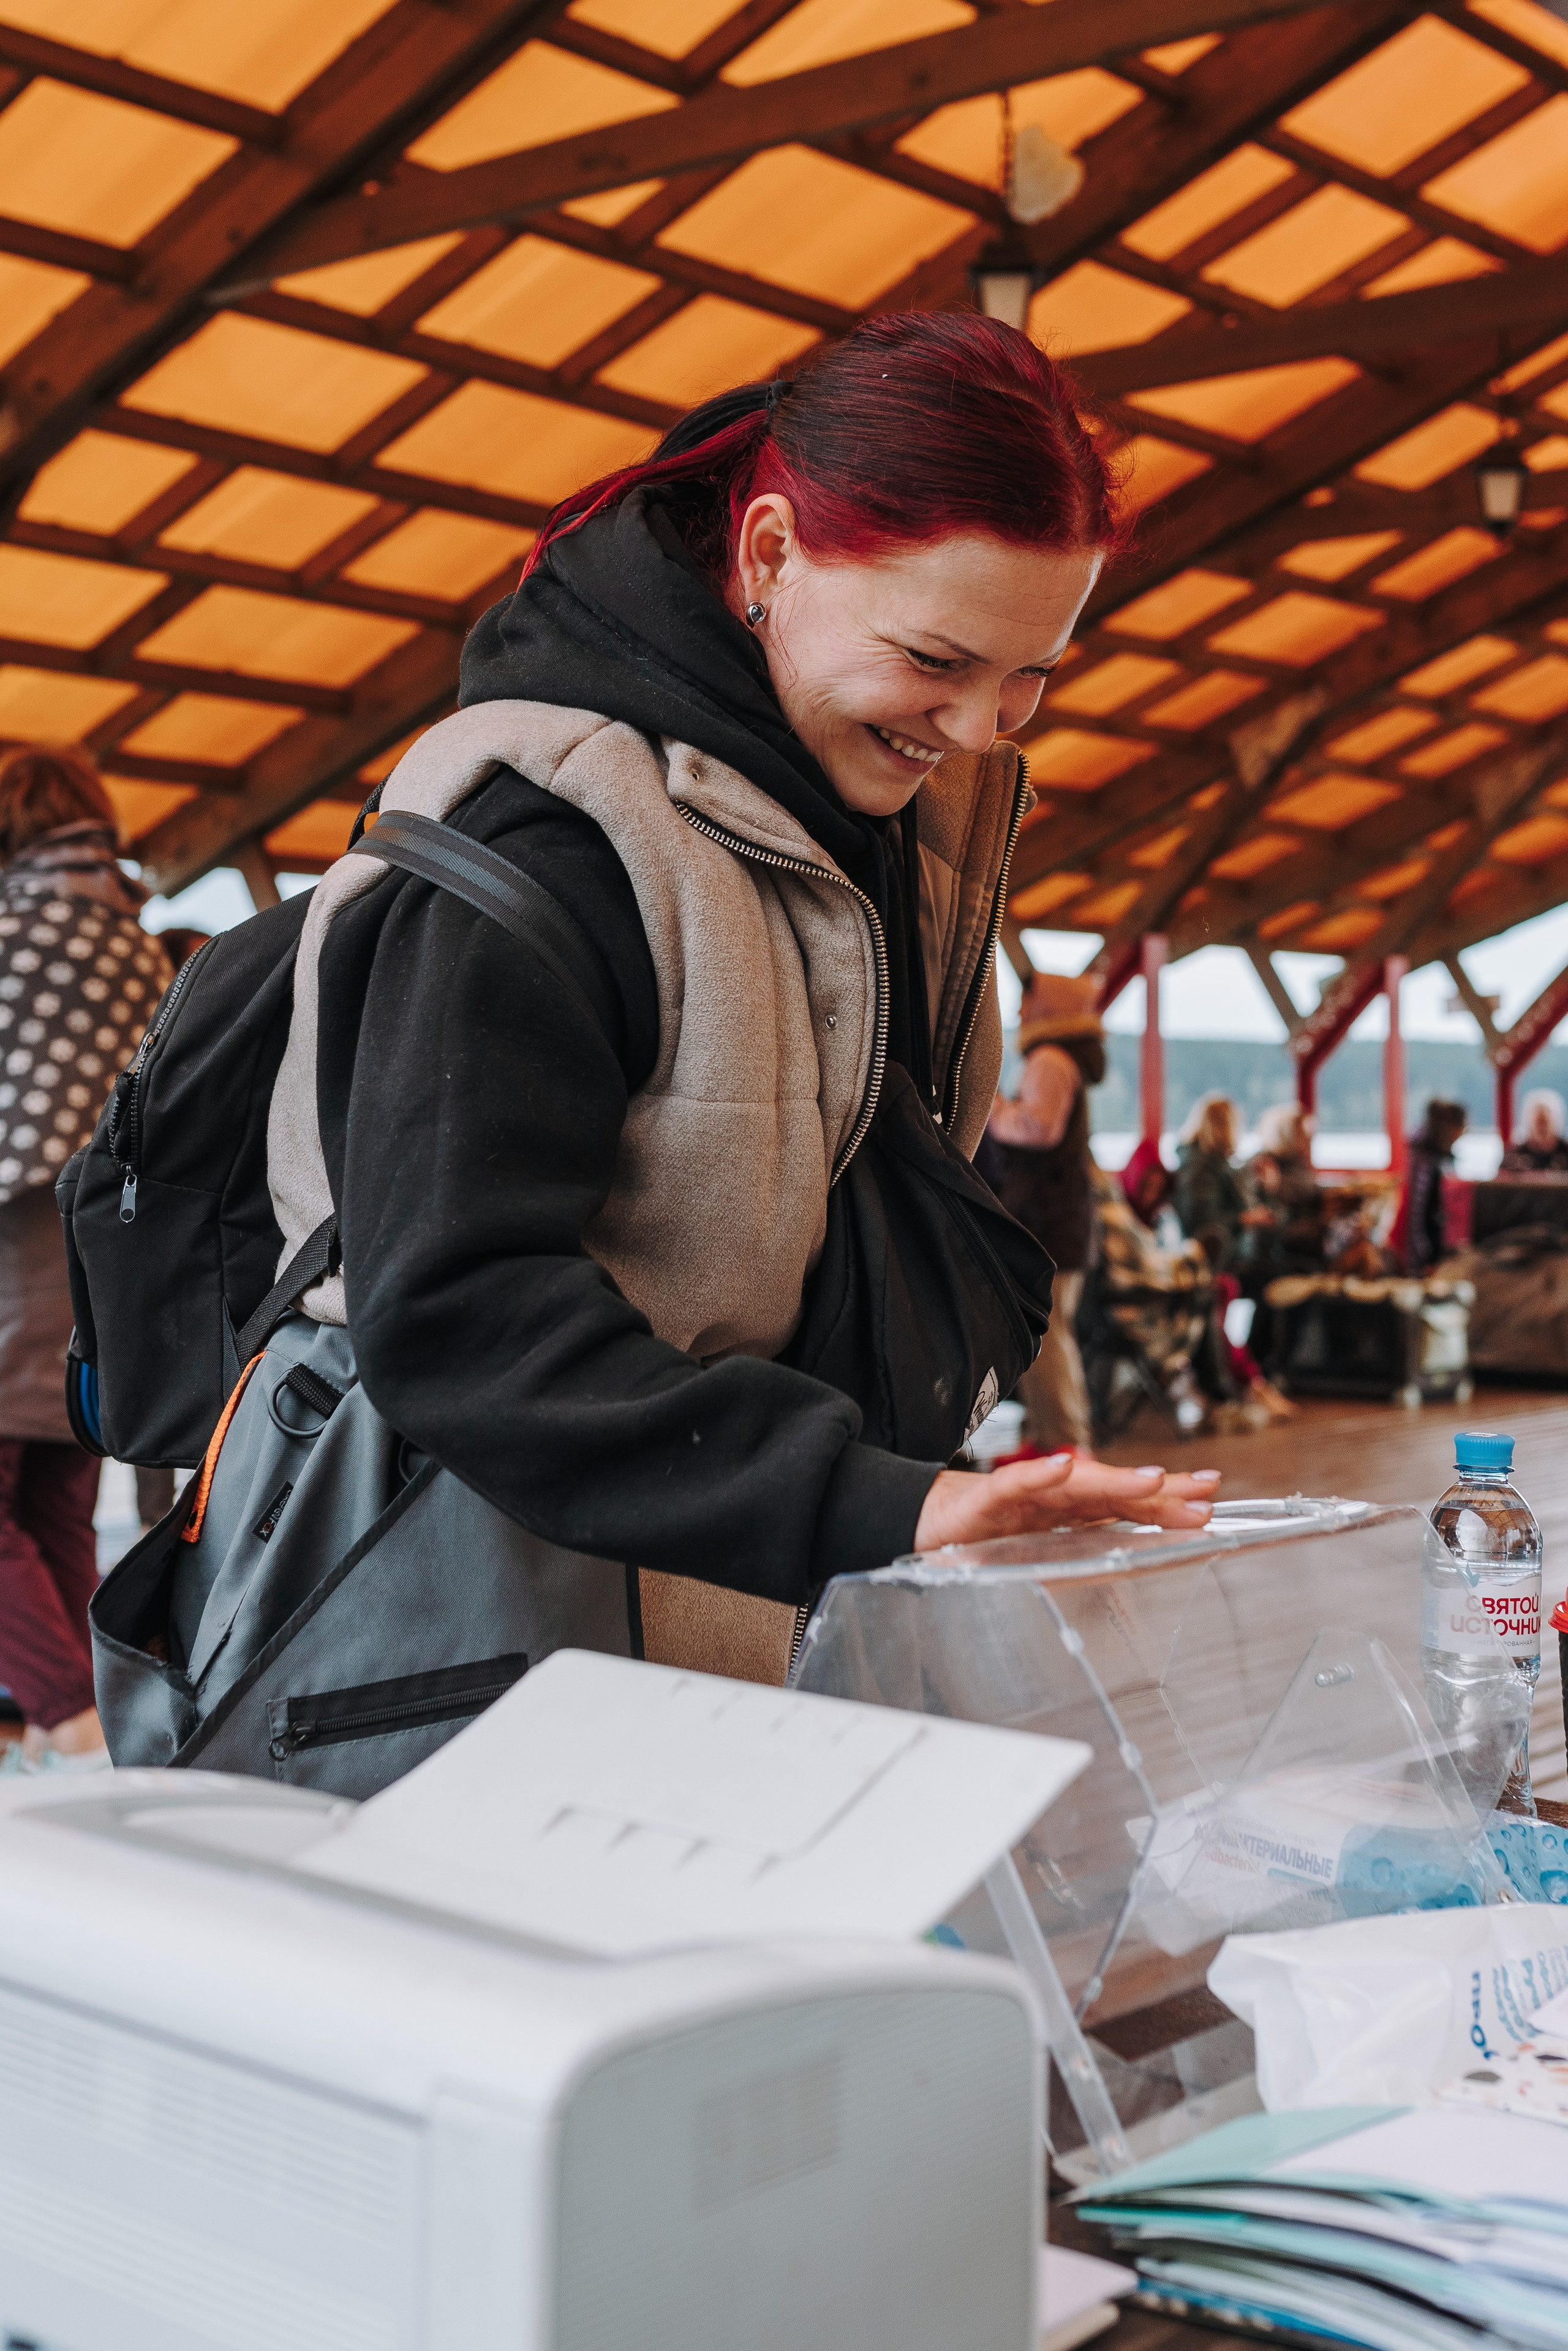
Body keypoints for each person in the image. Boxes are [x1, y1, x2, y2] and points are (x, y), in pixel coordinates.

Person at [164, 315, 1218, 1726]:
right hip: (504, 1671)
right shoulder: (539, 844)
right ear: (768, 554)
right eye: (934, 659)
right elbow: (460, 1313)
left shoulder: (858, 812)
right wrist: (869, 1500)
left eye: (1028, 680)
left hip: (768, 1626)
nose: (976, 731)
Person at [0, 745, 169, 1768]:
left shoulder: (10, 934)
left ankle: (70, 1719)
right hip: (101, 1252)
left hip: (10, 1245)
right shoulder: (135, 944)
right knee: (54, 1503)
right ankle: (92, 1721)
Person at [983, 969, 1105, 1452]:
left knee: (1047, 1338)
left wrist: (990, 1107)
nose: (1017, 1011)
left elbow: (1038, 1129)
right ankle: (1047, 1438)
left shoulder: (1051, 1059)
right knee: (1046, 1335)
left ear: (1047, 1007)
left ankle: (1066, 1446)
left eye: (1026, 1001)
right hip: (1060, 1217)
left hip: (1046, 1220)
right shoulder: (1063, 1058)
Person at [1245, 1101, 1325, 1274]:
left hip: (1296, 1230)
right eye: (1302, 1133)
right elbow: (1267, 1205)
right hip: (1278, 1238)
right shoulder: (1262, 1163)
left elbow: (1309, 1190)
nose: (1308, 1138)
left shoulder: (1297, 1162)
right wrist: (1275, 1186)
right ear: (1285, 1134)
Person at [1402, 1097, 1467, 1274]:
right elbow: (1417, 1212)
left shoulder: (1436, 1158)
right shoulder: (1425, 1160)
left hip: (1433, 1247)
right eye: (1461, 1129)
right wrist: (1425, 1258)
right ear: (1451, 1128)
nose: (1463, 1133)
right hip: (1424, 1254)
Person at [1501, 1089, 1568, 1174]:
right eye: (1538, 1123)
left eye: (1545, 1122)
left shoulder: (1566, 1152)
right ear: (1529, 1124)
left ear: (1557, 1122)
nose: (1542, 1128)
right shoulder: (1513, 1159)